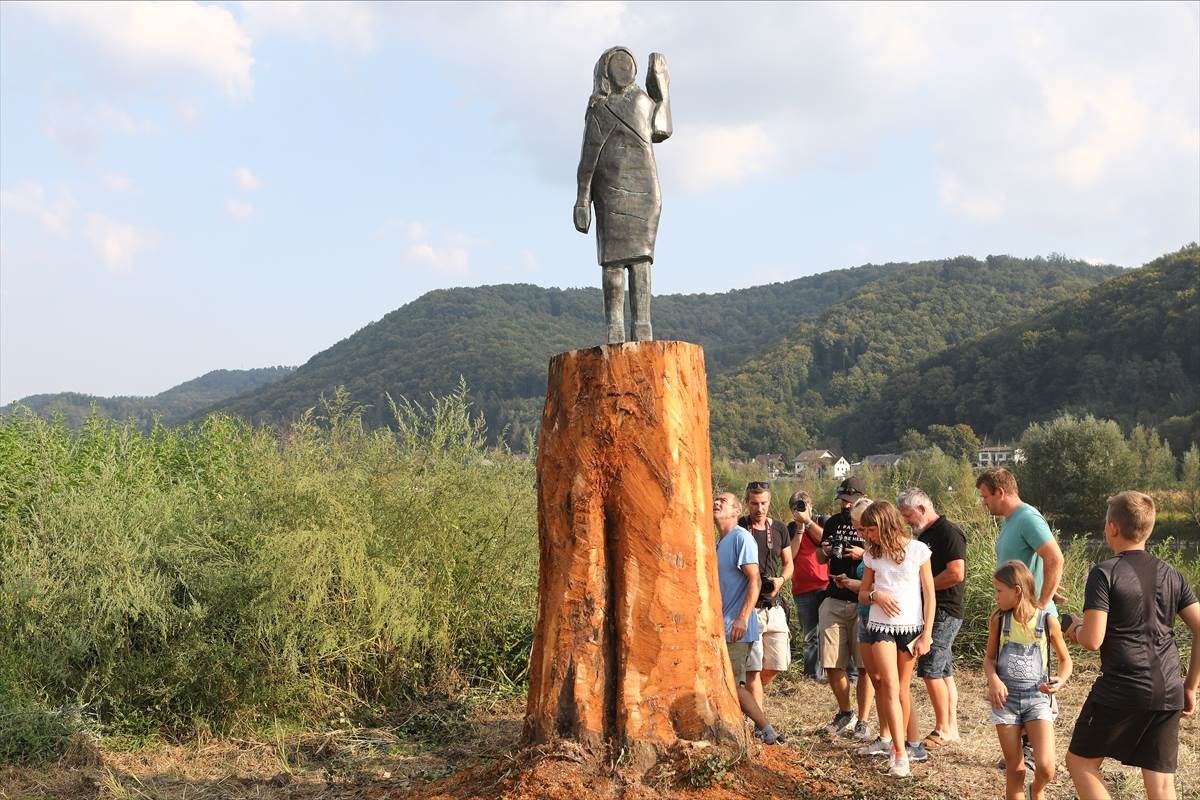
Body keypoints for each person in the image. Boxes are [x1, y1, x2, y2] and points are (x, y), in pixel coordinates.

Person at [1063, 491, 1200, 800]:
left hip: (1122, 687)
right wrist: (1190, 686)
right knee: (1161, 782)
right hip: (1168, 688)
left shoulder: (1104, 573)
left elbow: (1093, 639)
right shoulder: (1172, 574)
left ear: (1112, 527)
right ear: (1148, 530)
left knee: (1080, 762)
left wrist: (1075, 628)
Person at [573, 46, 672, 343]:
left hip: (645, 190)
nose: (624, 69)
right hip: (609, 191)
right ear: (605, 71)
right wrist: (582, 199)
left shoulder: (643, 101)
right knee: (613, 262)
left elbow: (662, 130)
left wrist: (662, 89)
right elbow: (587, 160)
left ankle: (643, 326)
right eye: (617, 64)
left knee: (642, 260)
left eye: (627, 63)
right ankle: (614, 327)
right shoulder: (599, 110)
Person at [857, 500, 936, 778]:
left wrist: (927, 634)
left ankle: (906, 746)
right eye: (864, 530)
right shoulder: (871, 554)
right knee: (888, 685)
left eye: (869, 529)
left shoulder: (918, 551)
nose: (866, 535)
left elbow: (930, 594)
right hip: (880, 626)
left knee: (902, 689)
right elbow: (862, 593)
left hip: (911, 628)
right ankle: (899, 753)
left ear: (884, 524)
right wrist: (875, 595)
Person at [985, 561, 1072, 800]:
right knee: (1016, 769)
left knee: (1046, 767)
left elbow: (1066, 661)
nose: (996, 597)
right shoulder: (999, 620)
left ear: (1018, 590)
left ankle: (1038, 790)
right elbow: (989, 659)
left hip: (1038, 698)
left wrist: (1060, 680)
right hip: (1006, 701)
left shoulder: (1047, 621)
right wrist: (993, 679)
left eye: (999, 591)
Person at [897, 488, 966, 747]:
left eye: (908, 515)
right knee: (944, 670)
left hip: (946, 608)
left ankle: (942, 728)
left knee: (931, 669)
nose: (907, 521)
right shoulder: (926, 534)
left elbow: (956, 573)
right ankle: (951, 727)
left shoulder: (948, 532)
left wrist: (923, 586)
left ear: (922, 509)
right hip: (934, 608)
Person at [713, 492, 782, 745]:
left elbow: (754, 580)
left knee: (732, 682)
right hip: (722, 626)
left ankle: (766, 729)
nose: (716, 502)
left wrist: (742, 619)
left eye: (723, 501)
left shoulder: (741, 538)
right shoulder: (721, 543)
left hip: (736, 627)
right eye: (715, 500)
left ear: (735, 511)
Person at [832, 497, 892, 753]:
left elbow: (886, 587)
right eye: (858, 528)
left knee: (886, 681)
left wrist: (860, 587)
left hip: (883, 618)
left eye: (863, 528)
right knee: (877, 679)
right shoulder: (871, 550)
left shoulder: (887, 551)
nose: (860, 533)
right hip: (866, 613)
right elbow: (869, 588)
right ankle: (884, 735)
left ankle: (889, 735)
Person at [817, 476, 867, 735]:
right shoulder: (832, 523)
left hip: (863, 601)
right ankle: (845, 711)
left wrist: (863, 554)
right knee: (831, 661)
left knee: (864, 665)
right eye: (843, 500)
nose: (846, 506)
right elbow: (817, 556)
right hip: (834, 595)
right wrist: (825, 551)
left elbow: (888, 558)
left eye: (850, 501)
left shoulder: (871, 523)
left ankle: (864, 719)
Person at [976, 468, 1064, 616]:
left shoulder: (1028, 519)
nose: (984, 502)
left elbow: (1055, 559)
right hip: (1016, 618)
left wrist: (1041, 605)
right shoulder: (1010, 520)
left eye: (985, 497)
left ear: (1000, 492)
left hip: (1032, 621)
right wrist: (1046, 585)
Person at [738, 481, 794, 713]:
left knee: (778, 664)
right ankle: (759, 722)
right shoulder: (740, 526)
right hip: (750, 606)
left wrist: (781, 581)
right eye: (754, 504)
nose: (759, 509)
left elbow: (789, 564)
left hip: (774, 605)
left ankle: (745, 700)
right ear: (746, 503)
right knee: (753, 668)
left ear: (769, 502)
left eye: (763, 503)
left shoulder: (780, 528)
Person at [788, 489, 826, 681]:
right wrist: (800, 529)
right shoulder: (789, 528)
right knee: (810, 636)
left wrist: (808, 522)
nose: (802, 510)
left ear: (811, 506)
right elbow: (790, 555)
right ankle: (812, 676)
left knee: (830, 634)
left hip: (826, 586)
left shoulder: (822, 522)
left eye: (804, 506)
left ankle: (836, 672)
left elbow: (826, 539)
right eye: (797, 508)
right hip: (802, 589)